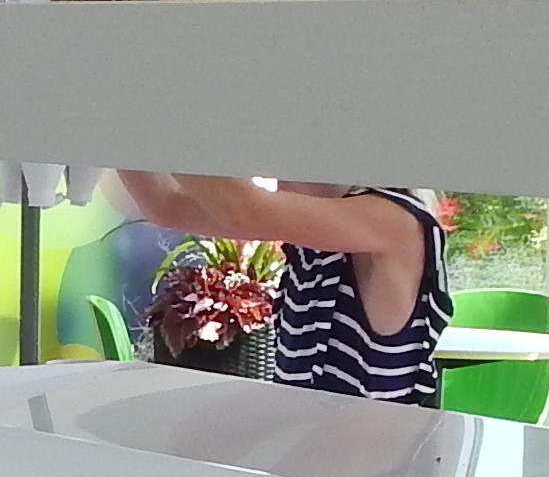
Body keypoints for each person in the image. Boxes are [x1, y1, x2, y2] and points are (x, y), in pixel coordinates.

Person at [115, 173, 453, 405]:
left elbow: (243, 209)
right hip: (315, 463)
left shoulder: (393, 219)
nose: (274, 180)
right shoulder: (319, 239)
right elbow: (164, 206)